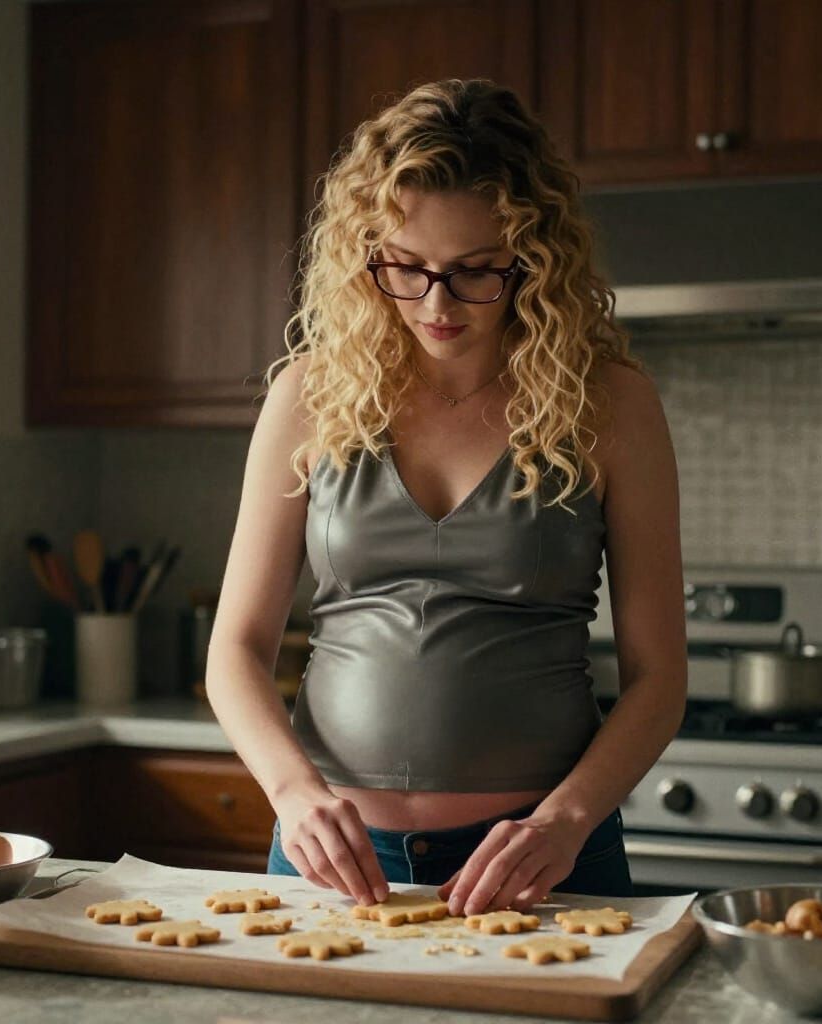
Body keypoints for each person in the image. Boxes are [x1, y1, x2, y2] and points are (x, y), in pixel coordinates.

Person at [206, 79, 686, 918]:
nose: (436, 303)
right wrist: (293, 794)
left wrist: (565, 822)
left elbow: (659, 677)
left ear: (531, 257)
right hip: (333, 859)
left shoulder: (611, 404)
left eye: (473, 272)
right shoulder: (309, 396)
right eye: (405, 266)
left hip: (540, 862)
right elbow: (235, 650)